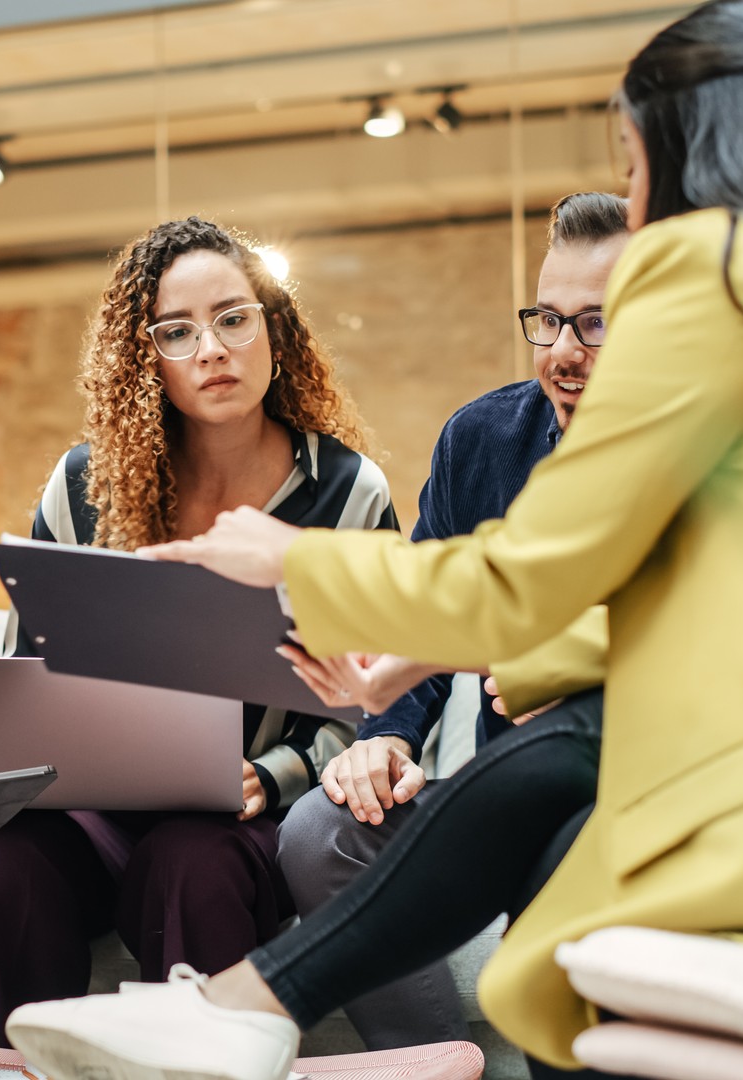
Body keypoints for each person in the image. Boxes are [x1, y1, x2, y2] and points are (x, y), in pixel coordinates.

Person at [0, 2, 743, 1078]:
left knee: (570, 777)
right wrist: (417, 661)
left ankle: (247, 1008)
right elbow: (733, 601)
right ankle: (250, 1009)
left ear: (693, 148)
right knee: (572, 794)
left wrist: (288, 561)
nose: (640, 198)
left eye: (634, 158)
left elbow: (539, 575)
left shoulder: (714, 271)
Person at [0, 216, 398, 1047]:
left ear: (274, 328)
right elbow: (24, 679)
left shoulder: (348, 494)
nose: (211, 349)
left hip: (239, 820)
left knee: (189, 857)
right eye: (176, 333)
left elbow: (372, 706)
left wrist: (270, 773)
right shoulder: (83, 488)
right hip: (92, 811)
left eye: (232, 318)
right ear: (146, 361)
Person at [275, 192, 630, 1051]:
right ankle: (440, 1065)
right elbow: (425, 613)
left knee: (570, 843)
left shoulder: (698, 454)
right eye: (546, 321)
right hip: (502, 785)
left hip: (636, 787)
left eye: (594, 326)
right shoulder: (483, 441)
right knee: (321, 832)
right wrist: (387, 736)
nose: (562, 355)